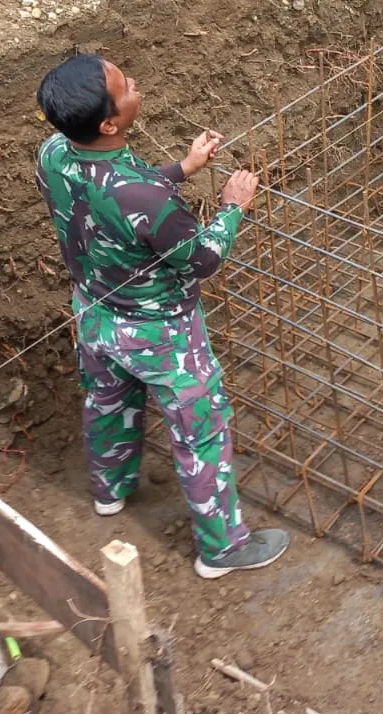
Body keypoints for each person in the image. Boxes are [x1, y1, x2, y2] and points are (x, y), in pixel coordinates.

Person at [34, 54, 290, 578]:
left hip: (94, 314)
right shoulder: (149, 200)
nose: (134, 84)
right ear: (110, 123)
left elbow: (114, 190)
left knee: (107, 401)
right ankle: (222, 549)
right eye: (124, 86)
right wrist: (232, 207)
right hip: (162, 334)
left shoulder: (54, 151)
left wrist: (182, 169)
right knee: (202, 431)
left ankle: (110, 491)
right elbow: (202, 259)